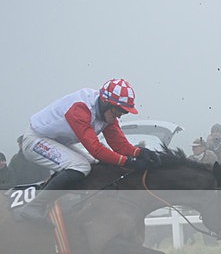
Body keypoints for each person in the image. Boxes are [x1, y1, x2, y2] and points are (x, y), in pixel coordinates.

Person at [17, 78, 159, 223]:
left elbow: (119, 145)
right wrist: (129, 161)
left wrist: (139, 153)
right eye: (119, 110)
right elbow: (96, 149)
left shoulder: (107, 114)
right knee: (80, 166)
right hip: (35, 140)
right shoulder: (80, 109)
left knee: (93, 164)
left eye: (124, 112)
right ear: (105, 103)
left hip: (54, 141)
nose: (120, 115)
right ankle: (34, 207)